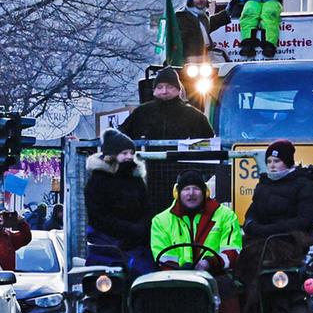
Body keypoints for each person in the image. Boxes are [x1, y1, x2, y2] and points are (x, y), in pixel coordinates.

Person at [241, 139, 313, 268]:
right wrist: (251, 225)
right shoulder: (264, 185)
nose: (272, 165)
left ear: (288, 162)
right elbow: (252, 211)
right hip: (259, 239)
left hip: (289, 243)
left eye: (277, 161)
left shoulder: (305, 185)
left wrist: (269, 230)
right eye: (269, 161)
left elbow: (306, 219)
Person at [84, 130, 153, 270]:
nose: (129, 157)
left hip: (135, 241)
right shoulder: (98, 181)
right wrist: (131, 229)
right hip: (106, 244)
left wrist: (141, 228)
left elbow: (146, 207)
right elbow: (98, 216)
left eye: (131, 153)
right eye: (124, 153)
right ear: (112, 155)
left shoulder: (136, 180)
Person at [150, 170, 244, 272]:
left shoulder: (226, 216)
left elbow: (232, 252)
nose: (191, 193)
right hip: (174, 278)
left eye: (196, 188)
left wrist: (208, 263)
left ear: (205, 192)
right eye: (186, 189)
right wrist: (181, 274)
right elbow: (164, 259)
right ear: (177, 193)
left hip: (215, 275)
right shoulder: (160, 221)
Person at [119, 66, 215, 143]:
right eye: (160, 87)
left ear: (178, 90)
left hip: (183, 167)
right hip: (147, 166)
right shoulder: (140, 113)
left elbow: (208, 143)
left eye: (169, 87)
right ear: (154, 91)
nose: (164, 91)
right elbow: (120, 135)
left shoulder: (194, 116)